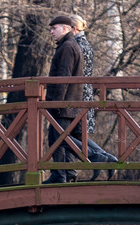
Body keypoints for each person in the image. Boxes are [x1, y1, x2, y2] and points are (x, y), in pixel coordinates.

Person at [68, 14, 118, 180]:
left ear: (74, 29)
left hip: (77, 95)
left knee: (66, 136)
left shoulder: (75, 46)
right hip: (86, 93)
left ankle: (98, 158)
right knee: (76, 136)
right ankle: (107, 158)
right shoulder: (86, 44)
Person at [42, 15, 84, 184]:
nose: (51, 32)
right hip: (69, 104)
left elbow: (63, 78)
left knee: (57, 140)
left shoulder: (67, 47)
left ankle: (60, 176)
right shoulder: (69, 45)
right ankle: (68, 173)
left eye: (54, 28)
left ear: (65, 28)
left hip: (64, 104)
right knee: (64, 139)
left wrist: (56, 103)